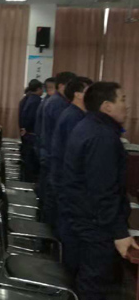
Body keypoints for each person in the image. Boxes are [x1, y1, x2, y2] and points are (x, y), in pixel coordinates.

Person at [61, 82, 137, 300]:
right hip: (94, 225)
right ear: (107, 106)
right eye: (122, 99)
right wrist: (119, 233)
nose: (127, 105)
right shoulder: (102, 136)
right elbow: (103, 190)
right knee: (94, 286)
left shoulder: (88, 126)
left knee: (87, 281)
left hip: (83, 218)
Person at [51, 77, 92, 240]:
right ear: (78, 95)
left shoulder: (75, 113)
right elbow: (73, 153)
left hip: (62, 176)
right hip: (65, 178)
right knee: (67, 229)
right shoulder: (74, 116)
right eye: (88, 91)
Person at [40, 71, 76, 225]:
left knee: (48, 197)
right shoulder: (58, 103)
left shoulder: (56, 101)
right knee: (51, 200)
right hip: (52, 155)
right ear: (62, 86)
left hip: (48, 153)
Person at [19, 79, 43, 182]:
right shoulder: (35, 100)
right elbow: (30, 117)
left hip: (26, 133)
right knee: (30, 163)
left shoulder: (27, 98)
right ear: (38, 89)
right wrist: (27, 128)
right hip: (31, 134)